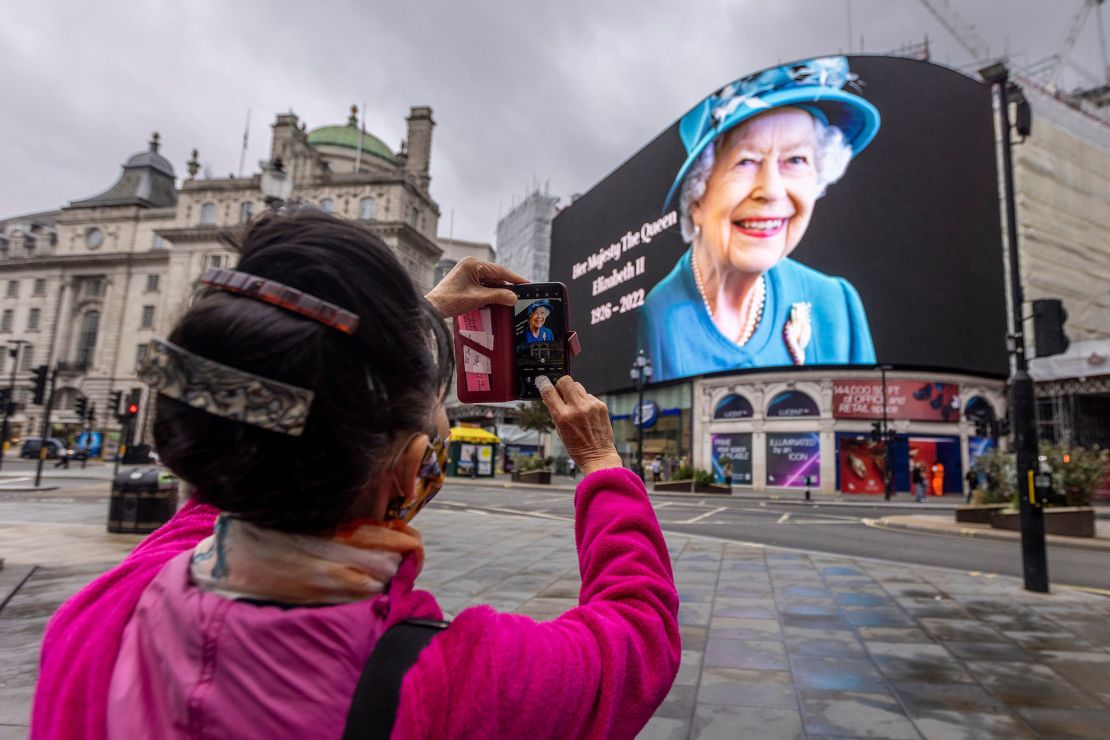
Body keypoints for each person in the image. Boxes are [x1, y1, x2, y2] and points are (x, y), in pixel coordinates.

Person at [32, 210, 679, 739]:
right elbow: (638, 636)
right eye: (434, 412)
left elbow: (244, 451)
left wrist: (404, 328)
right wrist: (601, 466)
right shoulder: (460, 687)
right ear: (406, 471)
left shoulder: (97, 619)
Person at [639, 56, 880, 381]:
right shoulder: (656, 319)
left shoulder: (836, 306)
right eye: (746, 161)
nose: (771, 190)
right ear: (696, 197)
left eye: (795, 159)